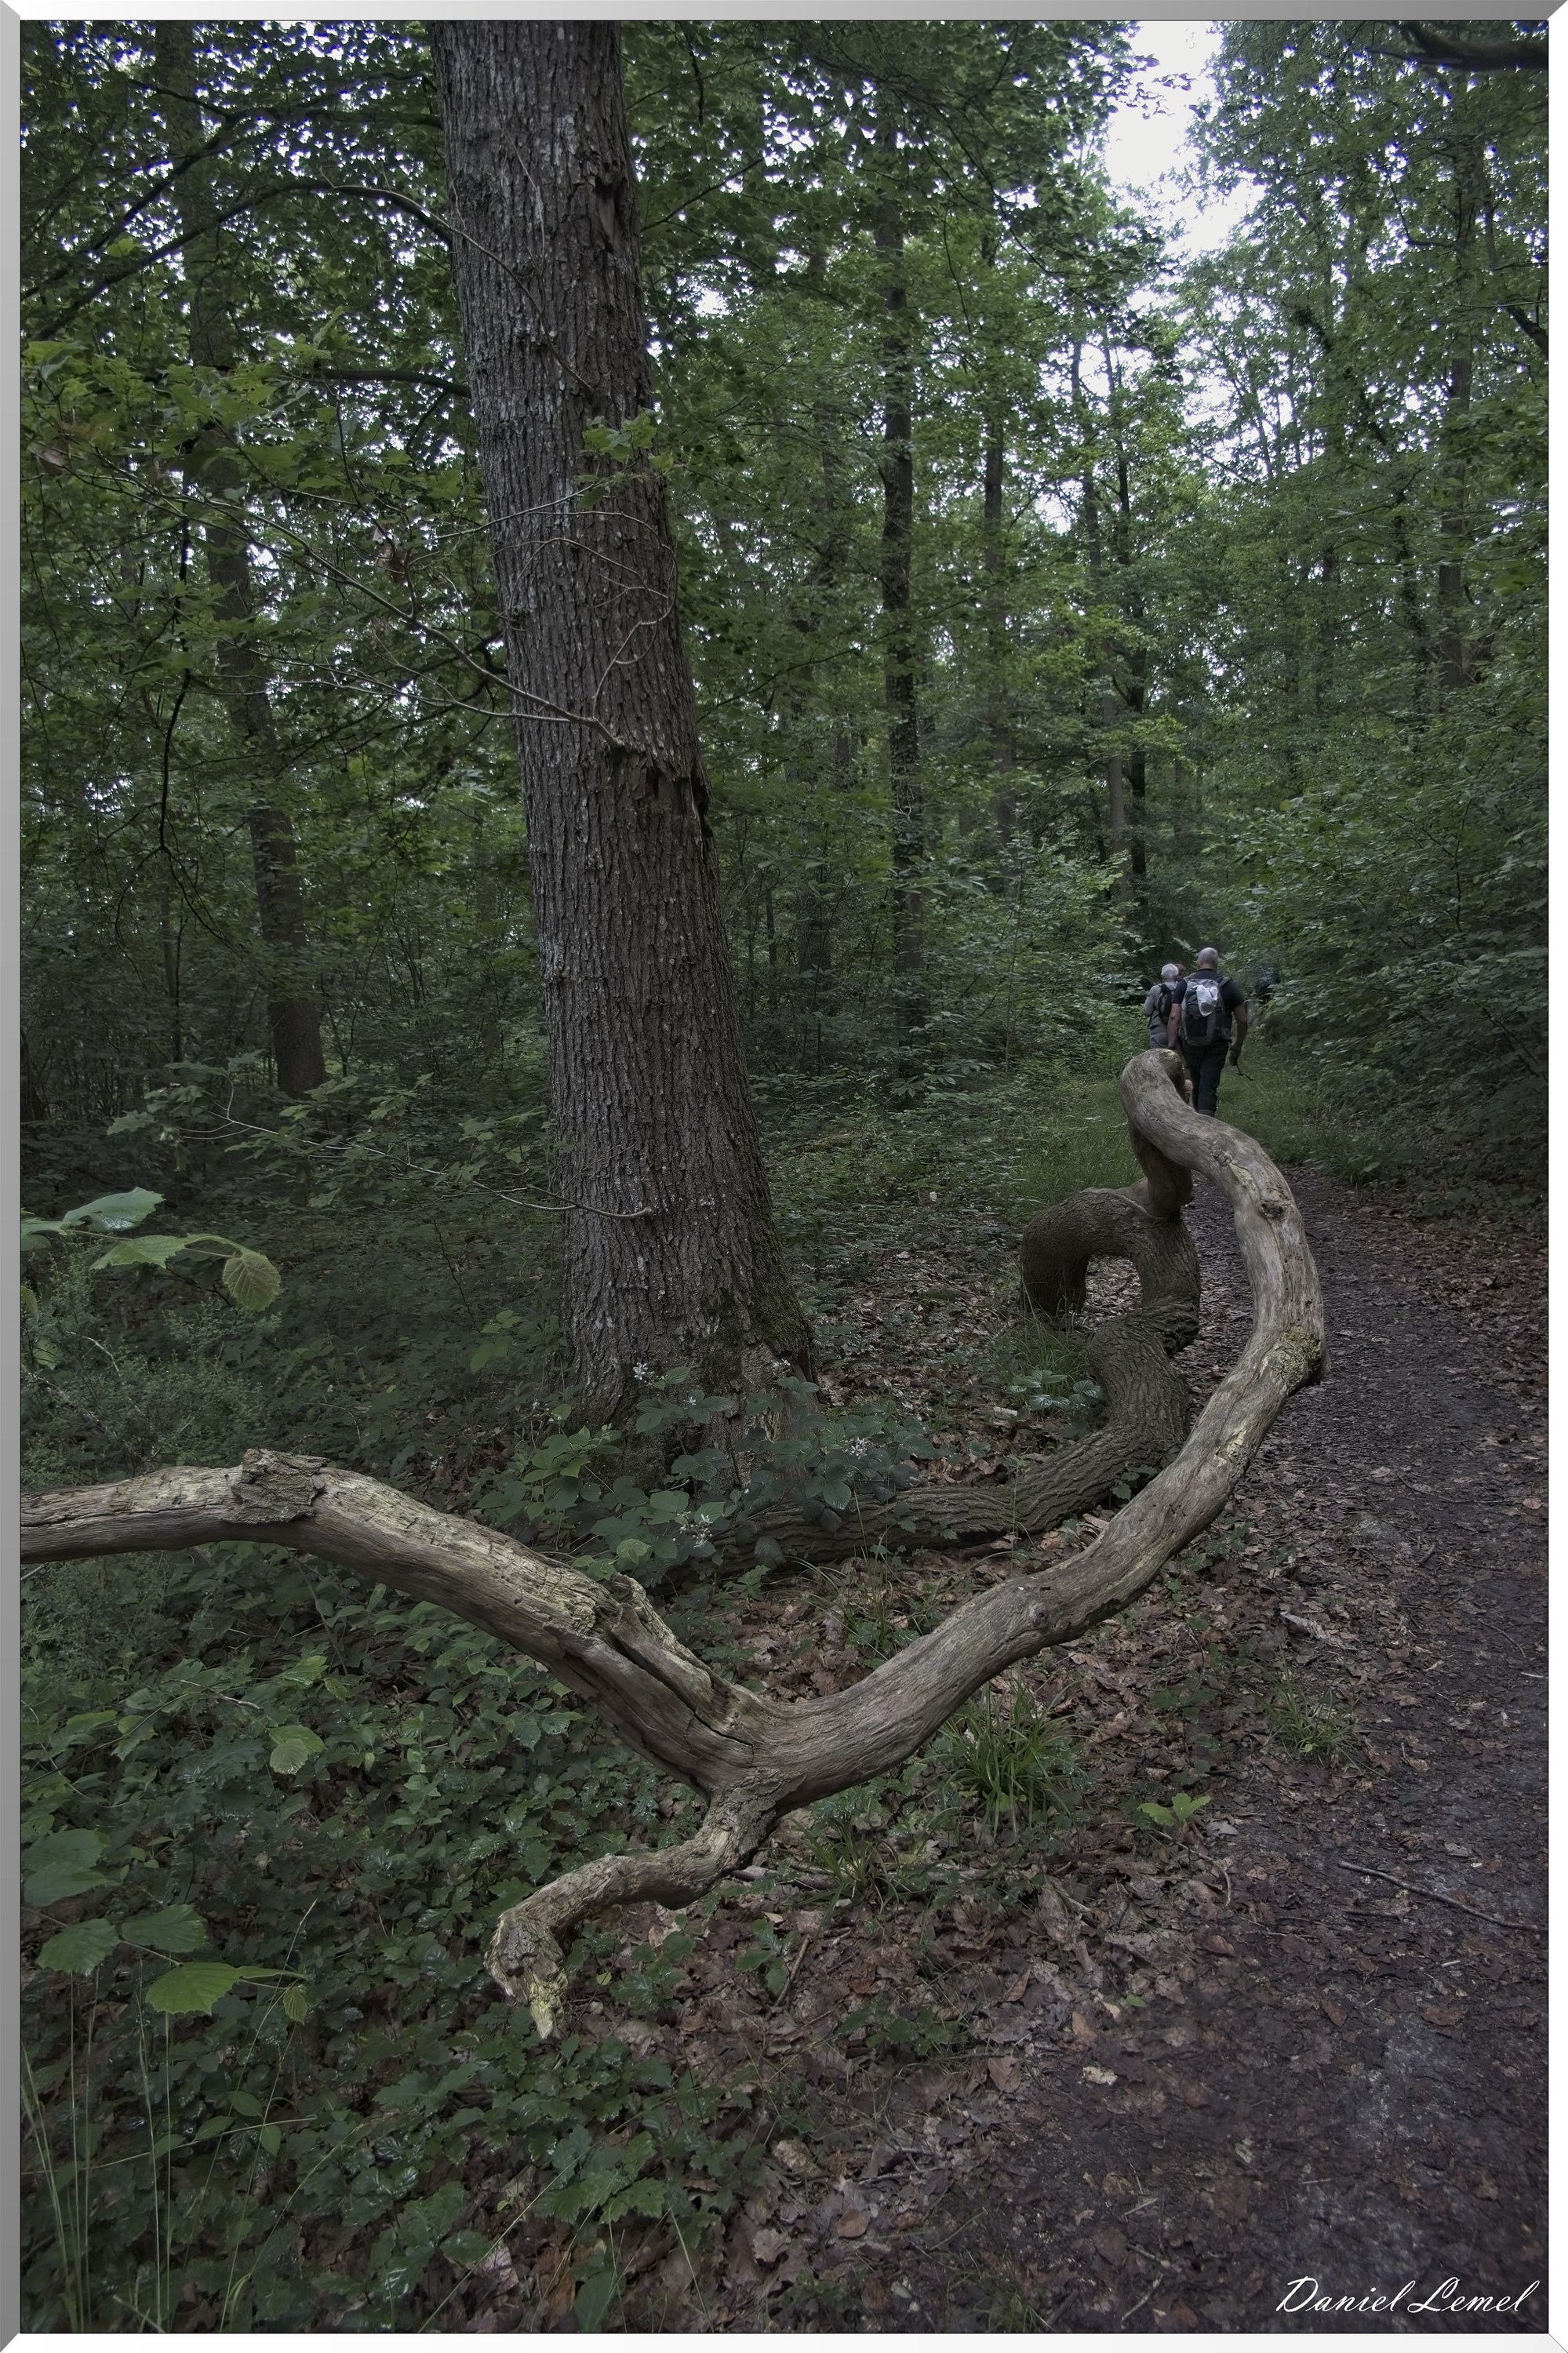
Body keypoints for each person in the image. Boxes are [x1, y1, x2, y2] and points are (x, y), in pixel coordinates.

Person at [1166, 946, 1248, 1116]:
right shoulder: (1226, 985)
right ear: (1216, 963)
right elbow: (1242, 1019)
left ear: (1198, 963)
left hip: (1190, 1042)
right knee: (1208, 1085)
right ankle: (1206, 1125)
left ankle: (1195, 1122)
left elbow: (1174, 1016)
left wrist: (1172, 1045)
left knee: (1195, 1082)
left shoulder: (1184, 985)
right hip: (1217, 1043)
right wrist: (1238, 1044)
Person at [1141, 962, 1183, 1053]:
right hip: (1178, 1032)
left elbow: (1147, 1012)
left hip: (1159, 1031)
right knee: (1178, 1062)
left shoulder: (1155, 989)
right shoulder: (1182, 989)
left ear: (1162, 976)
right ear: (1176, 976)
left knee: (1159, 1062)